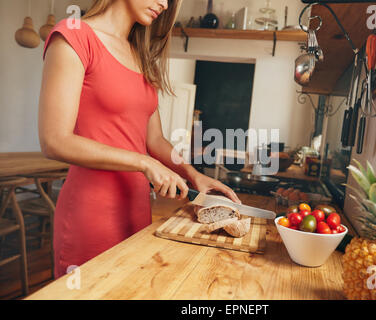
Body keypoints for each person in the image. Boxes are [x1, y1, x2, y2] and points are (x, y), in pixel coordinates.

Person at [39, 0, 240, 279]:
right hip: (91, 215)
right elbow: (54, 140)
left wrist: (193, 175)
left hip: (136, 212)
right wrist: (142, 162)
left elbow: (154, 139)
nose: (164, 4)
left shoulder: (139, 54)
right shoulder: (74, 35)